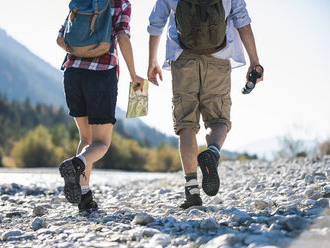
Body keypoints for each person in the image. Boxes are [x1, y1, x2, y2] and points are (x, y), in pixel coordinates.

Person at [147, 0, 264, 209]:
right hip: (219, 58)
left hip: (182, 57)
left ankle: (192, 191)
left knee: (186, 124)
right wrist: (255, 61)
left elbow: (156, 21)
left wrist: (152, 61)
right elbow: (242, 19)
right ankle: (212, 152)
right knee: (218, 120)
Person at [57, 0, 144, 212]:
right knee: (101, 144)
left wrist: (82, 49)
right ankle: (76, 164)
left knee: (85, 139)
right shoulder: (121, 3)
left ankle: (84, 198)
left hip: (72, 73)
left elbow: (60, 39)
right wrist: (134, 75)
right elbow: (122, 37)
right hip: (101, 74)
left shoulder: (82, 1)